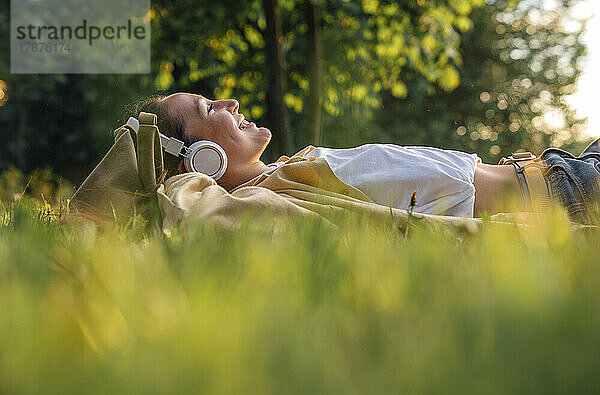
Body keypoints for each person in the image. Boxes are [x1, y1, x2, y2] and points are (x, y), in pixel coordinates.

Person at [134, 92, 600, 223]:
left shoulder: (287, 169)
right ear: (200, 161)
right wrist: (146, 154)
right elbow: (184, 203)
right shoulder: (267, 200)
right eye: (207, 109)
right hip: (566, 196)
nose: (228, 103)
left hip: (562, 167)